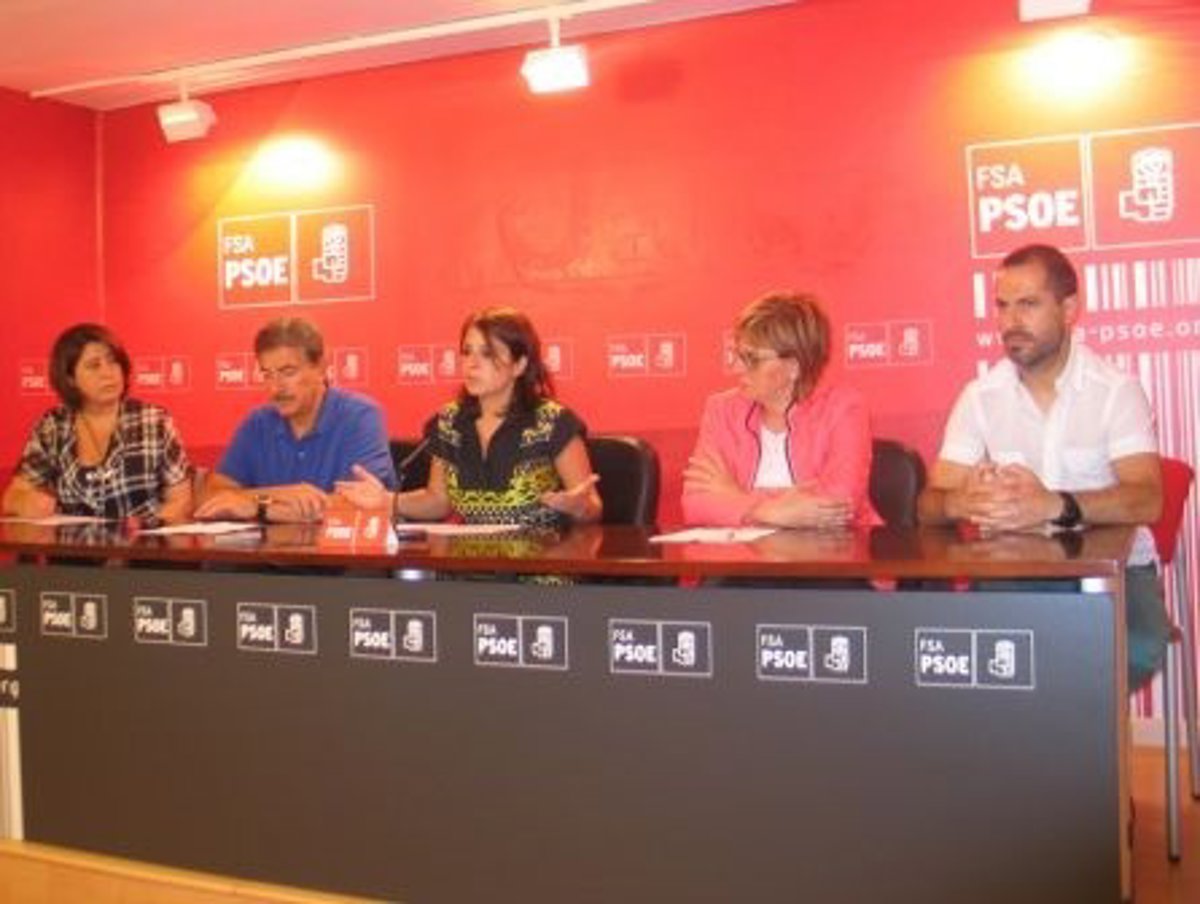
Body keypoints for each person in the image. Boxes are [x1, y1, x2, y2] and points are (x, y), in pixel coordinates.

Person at [917, 243, 1168, 690]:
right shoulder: (980, 397)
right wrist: (961, 501)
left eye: (1028, 304)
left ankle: (1075, 730)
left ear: (1069, 309)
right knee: (969, 650)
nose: (1010, 321)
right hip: (1014, 572)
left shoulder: (1115, 390)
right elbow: (928, 506)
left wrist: (1056, 505)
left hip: (1110, 574)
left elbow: (1146, 498)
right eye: (1002, 306)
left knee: (1128, 653)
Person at [337, 307, 601, 528]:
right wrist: (388, 501)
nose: (471, 364)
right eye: (466, 351)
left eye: (487, 353)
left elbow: (593, 508)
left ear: (519, 365)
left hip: (538, 565)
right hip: (469, 564)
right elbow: (438, 500)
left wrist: (579, 507)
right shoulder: (449, 422)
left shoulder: (553, 422)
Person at [682, 292, 878, 528]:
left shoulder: (844, 408)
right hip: (742, 550)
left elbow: (838, 505)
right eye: (737, 354)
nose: (736, 367)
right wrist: (767, 511)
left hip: (830, 549)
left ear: (793, 367)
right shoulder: (721, 410)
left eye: (751, 358)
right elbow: (695, 502)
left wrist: (733, 495)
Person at [196, 318, 396, 523]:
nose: (275, 388)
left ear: (321, 367)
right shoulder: (257, 423)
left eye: (288, 372)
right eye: (267, 374)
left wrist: (259, 508)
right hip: (272, 544)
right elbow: (211, 498)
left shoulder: (359, 416)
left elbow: (364, 504)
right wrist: (279, 494)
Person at [2, 323, 192, 524]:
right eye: (94, 365)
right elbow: (13, 496)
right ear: (70, 378)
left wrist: (146, 528)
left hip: (143, 541)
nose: (107, 373)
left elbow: (181, 501)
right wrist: (25, 502)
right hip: (73, 543)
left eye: (113, 362)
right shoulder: (54, 426)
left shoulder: (154, 421)